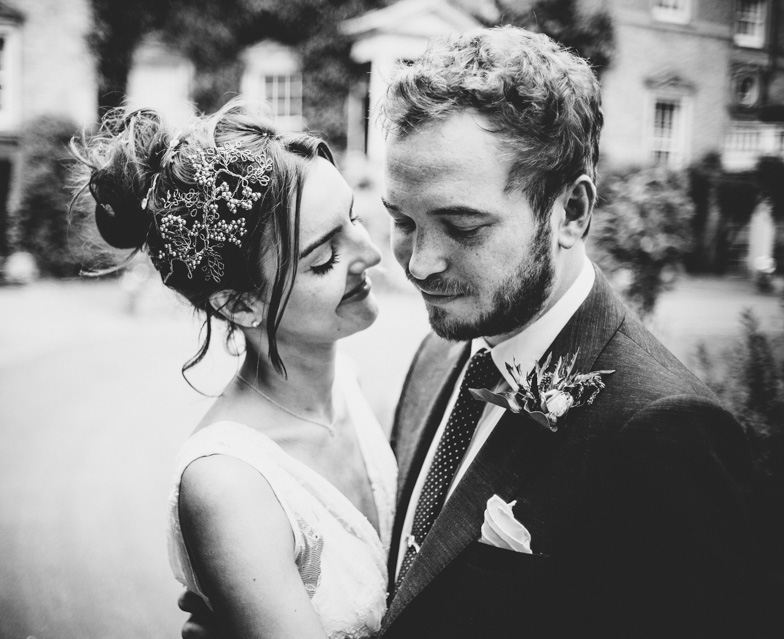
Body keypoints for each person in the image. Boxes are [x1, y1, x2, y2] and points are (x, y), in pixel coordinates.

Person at [181, 26, 768, 638]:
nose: (417, 264)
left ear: (570, 212)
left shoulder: (663, 430)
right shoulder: (440, 353)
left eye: (463, 228)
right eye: (403, 221)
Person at [73, 102, 396, 639]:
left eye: (354, 218)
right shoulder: (229, 484)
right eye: (322, 259)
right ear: (241, 304)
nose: (370, 254)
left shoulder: (351, 385)